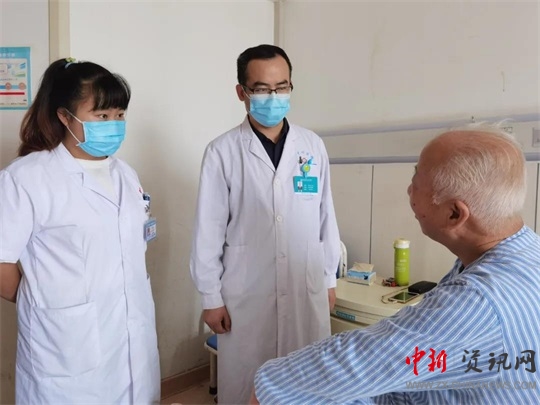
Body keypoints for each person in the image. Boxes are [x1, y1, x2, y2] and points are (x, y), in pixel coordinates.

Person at [251, 125, 540, 404]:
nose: (409, 190)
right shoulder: (524, 251)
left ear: (454, 213)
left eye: (417, 180)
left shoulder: (476, 299)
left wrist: (270, 384)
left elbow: (365, 359)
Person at [0, 58, 160, 403]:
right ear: (64, 116)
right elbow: (1, 263)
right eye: (101, 116)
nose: (113, 124)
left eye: (119, 115)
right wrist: (44, 300)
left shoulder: (125, 174)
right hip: (65, 345)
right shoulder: (26, 177)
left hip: (131, 334)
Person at [190, 44, 341, 404]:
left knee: (305, 382)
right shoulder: (222, 151)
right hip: (246, 293)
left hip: (305, 287)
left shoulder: (312, 146)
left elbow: (326, 217)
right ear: (241, 92)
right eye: (261, 89)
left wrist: (329, 279)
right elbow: (208, 230)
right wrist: (211, 297)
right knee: (247, 383)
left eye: (282, 87)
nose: (273, 97)